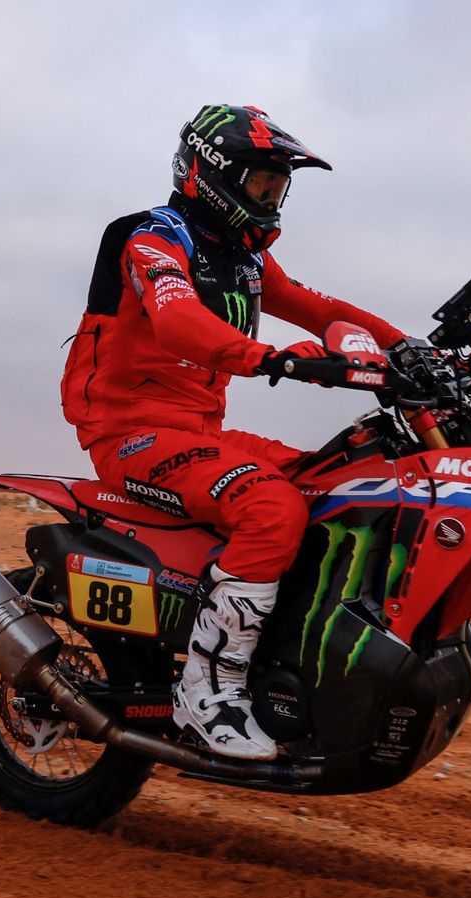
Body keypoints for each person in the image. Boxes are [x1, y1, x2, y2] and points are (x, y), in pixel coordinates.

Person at [60, 104, 405, 760]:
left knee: (339, 480)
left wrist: (408, 349)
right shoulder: (155, 239)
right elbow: (177, 320)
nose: (272, 199)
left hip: (195, 431)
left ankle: (290, 663)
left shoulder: (245, 259)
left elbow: (323, 310)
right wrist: (272, 357)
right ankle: (207, 692)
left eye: (279, 187)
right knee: (271, 506)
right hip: (129, 434)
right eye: (260, 184)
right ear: (212, 174)